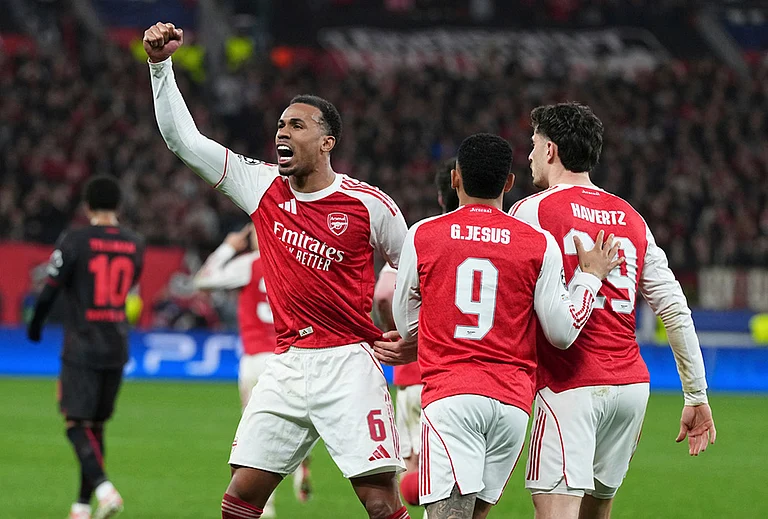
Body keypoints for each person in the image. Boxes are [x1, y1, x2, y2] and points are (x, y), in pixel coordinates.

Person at [143, 22, 411, 519]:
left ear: (327, 142)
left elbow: (413, 268)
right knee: (240, 497)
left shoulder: (368, 204)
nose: (282, 132)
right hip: (285, 364)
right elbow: (185, 141)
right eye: (280, 125)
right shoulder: (260, 186)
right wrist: (161, 67)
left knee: (379, 501)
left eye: (297, 126)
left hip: (349, 363)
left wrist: (413, 336)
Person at [382, 133, 622, 519]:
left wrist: (431, 330)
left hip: (452, 395)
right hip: (511, 406)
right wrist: (589, 278)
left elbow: (407, 325)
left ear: (455, 178)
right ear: (509, 183)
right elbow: (561, 333)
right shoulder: (539, 243)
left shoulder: (423, 234)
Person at [509, 102, 717, 519]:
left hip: (568, 385)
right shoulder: (632, 218)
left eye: (533, 144)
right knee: (596, 512)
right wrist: (696, 393)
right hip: (630, 389)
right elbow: (675, 309)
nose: (529, 155)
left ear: (550, 150)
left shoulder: (532, 211)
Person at [27, 176, 145, 519]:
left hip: (82, 344)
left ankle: (105, 491)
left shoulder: (75, 240)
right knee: (95, 427)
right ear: (118, 205)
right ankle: (80, 507)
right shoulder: (135, 243)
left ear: (87, 206)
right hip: (117, 344)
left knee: (75, 423)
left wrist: (35, 326)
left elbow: (50, 288)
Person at [193, 224, 312, 518]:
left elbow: (202, 280)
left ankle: (264, 505)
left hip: (256, 359)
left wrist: (227, 248)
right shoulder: (294, 261)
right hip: (290, 356)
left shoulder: (248, 264)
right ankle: (302, 461)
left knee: (254, 432)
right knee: (295, 418)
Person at [372, 158, 459, 509]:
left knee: (415, 474)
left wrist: (397, 330)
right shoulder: (492, 241)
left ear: (440, 196)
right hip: (465, 378)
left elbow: (383, 294)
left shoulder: (422, 238)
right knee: (457, 480)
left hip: (415, 377)